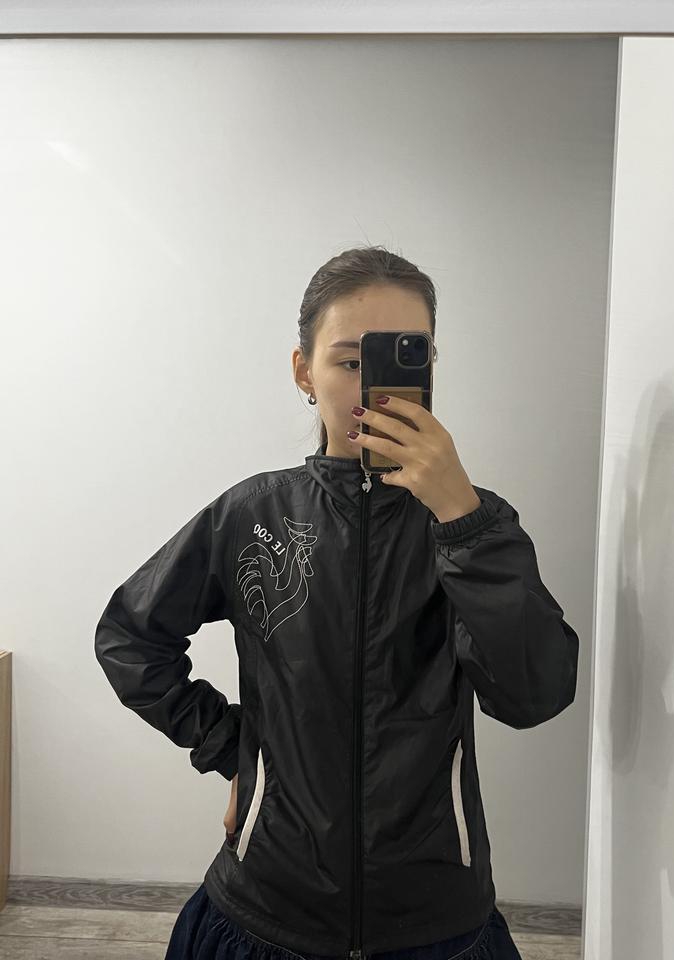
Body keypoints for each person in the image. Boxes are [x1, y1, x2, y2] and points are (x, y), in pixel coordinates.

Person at [95, 246, 579, 960]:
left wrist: (461, 518)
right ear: (304, 371)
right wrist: (236, 751)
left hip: (436, 921)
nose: (371, 389)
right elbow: (129, 636)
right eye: (351, 361)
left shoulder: (474, 525)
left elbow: (533, 695)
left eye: (403, 360)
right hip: (264, 910)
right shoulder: (252, 515)